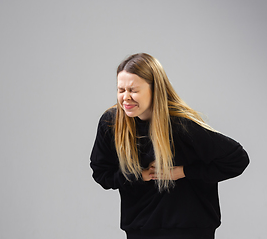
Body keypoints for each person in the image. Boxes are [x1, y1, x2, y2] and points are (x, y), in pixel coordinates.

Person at [90, 53, 249, 239]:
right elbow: (102, 173)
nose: (125, 98)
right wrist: (139, 175)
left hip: (190, 230)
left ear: (155, 89)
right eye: (121, 90)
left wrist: (184, 171)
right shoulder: (111, 123)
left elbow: (237, 159)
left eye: (133, 90)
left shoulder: (182, 126)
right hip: (140, 230)